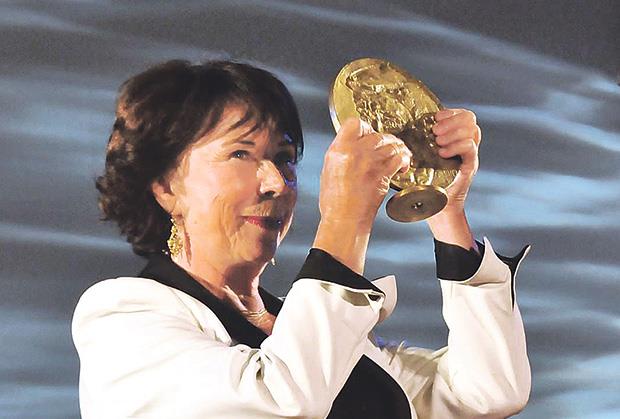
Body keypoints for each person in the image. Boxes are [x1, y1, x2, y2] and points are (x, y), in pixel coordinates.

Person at [71, 59, 531, 418]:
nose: (276, 182)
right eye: (240, 154)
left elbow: (487, 393)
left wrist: (444, 206)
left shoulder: (305, 323)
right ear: (165, 186)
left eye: (285, 157)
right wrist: (345, 219)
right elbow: (283, 399)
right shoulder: (122, 316)